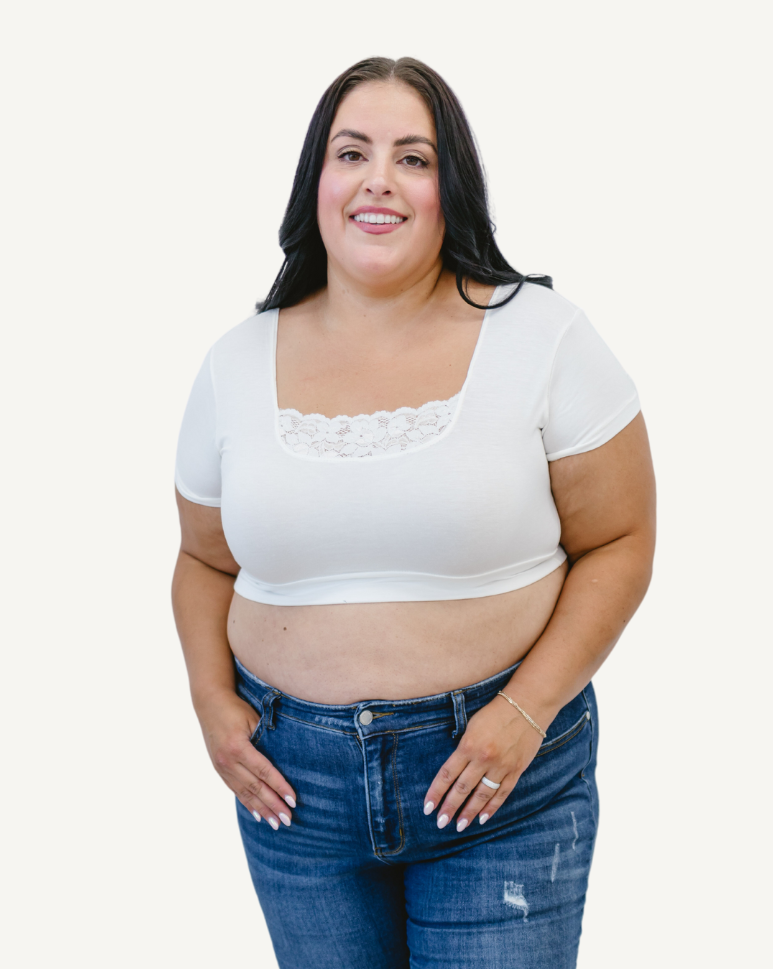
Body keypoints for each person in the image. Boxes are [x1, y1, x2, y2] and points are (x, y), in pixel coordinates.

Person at [172, 56, 656, 969]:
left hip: (499, 784)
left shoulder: (543, 337)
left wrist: (523, 710)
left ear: (451, 189)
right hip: (294, 795)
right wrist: (209, 701)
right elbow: (203, 560)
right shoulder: (233, 363)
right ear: (317, 180)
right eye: (351, 152)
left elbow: (621, 542)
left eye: (414, 158)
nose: (378, 181)